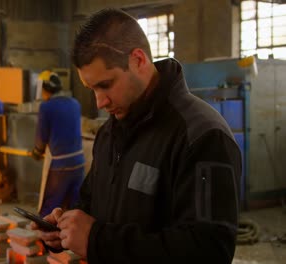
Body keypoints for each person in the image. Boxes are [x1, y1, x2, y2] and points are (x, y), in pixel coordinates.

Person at [34, 8, 241, 264]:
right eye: (91, 89)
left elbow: (209, 251)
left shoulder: (201, 135)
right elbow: (90, 202)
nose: (99, 102)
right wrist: (66, 226)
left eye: (105, 85)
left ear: (139, 61)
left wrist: (96, 240)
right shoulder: (109, 134)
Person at [30, 71, 85, 217]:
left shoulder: (47, 107)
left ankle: (45, 239)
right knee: (74, 207)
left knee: (51, 207)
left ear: (45, 88)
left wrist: (36, 152)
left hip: (60, 166)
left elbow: (42, 137)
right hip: (79, 163)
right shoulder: (75, 103)